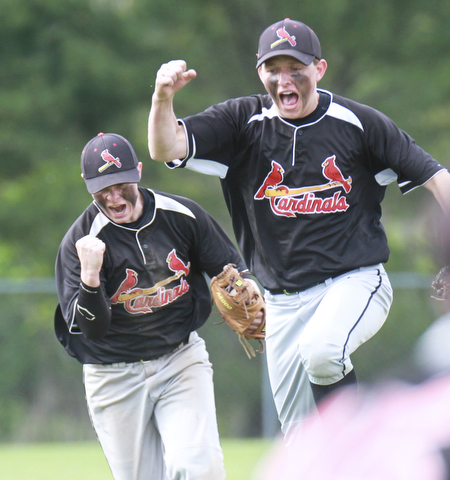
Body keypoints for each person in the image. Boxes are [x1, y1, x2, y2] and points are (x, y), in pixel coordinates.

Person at [147, 17, 450, 441]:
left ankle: (355, 447)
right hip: (282, 303)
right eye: (274, 69)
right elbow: (164, 148)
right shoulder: (242, 123)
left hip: (353, 281)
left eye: (296, 69)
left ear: (319, 70)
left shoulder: (357, 123)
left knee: (323, 353)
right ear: (260, 73)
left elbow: (437, 176)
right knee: (298, 442)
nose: (284, 79)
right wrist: (163, 97)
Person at [54, 132, 253, 480]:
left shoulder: (181, 215)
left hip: (179, 361)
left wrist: (244, 286)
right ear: (88, 186)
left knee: (199, 468)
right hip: (112, 375)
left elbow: (229, 267)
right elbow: (93, 329)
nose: (114, 196)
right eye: (103, 188)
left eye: (120, 183)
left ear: (138, 172)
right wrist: (89, 277)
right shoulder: (79, 242)